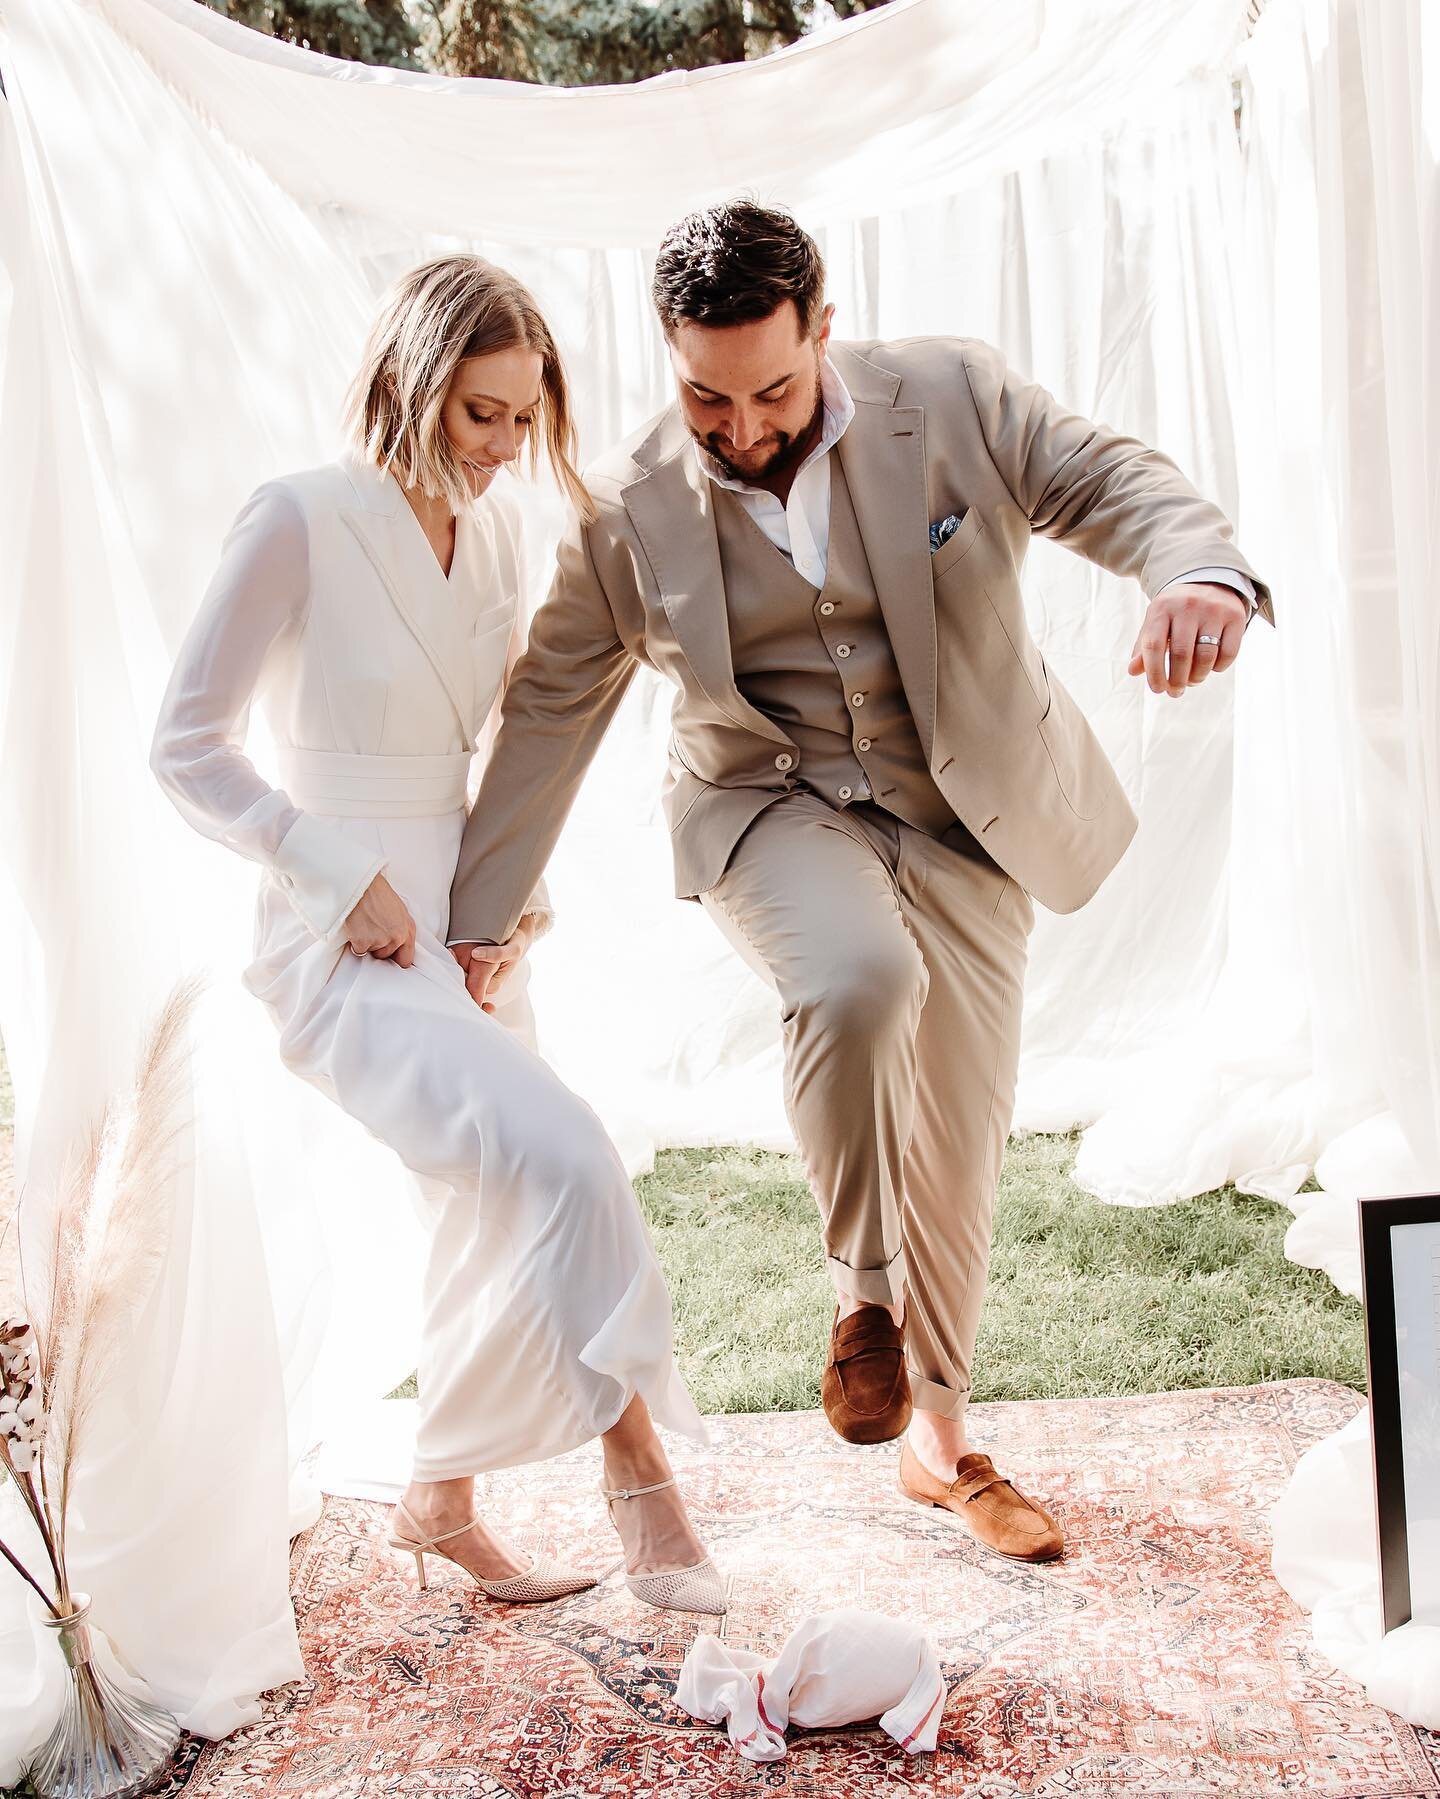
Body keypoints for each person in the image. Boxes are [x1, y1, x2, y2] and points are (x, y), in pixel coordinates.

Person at [447, 201, 1271, 1565]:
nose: (743, 425)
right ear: (668, 359)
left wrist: (1199, 572)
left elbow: (1106, 476)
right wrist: (478, 922)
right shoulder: (631, 505)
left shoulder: (947, 396)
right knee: (856, 975)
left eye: (772, 387)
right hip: (768, 801)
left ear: (825, 331)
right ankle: (861, 1299)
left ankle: (942, 1446)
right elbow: (549, 707)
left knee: (960, 1128)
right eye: (706, 395)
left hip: (966, 807)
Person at [150, 255, 724, 1616]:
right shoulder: (297, 516)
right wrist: (334, 872)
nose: (505, 448)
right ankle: (642, 1474)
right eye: (481, 414)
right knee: (566, 1154)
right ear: (410, 384)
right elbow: (183, 746)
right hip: (337, 938)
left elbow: (489, 755)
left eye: (524, 419)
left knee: (487, 1205)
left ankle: (440, 1499)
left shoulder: (507, 536)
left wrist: (513, 895)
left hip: (466, 925)